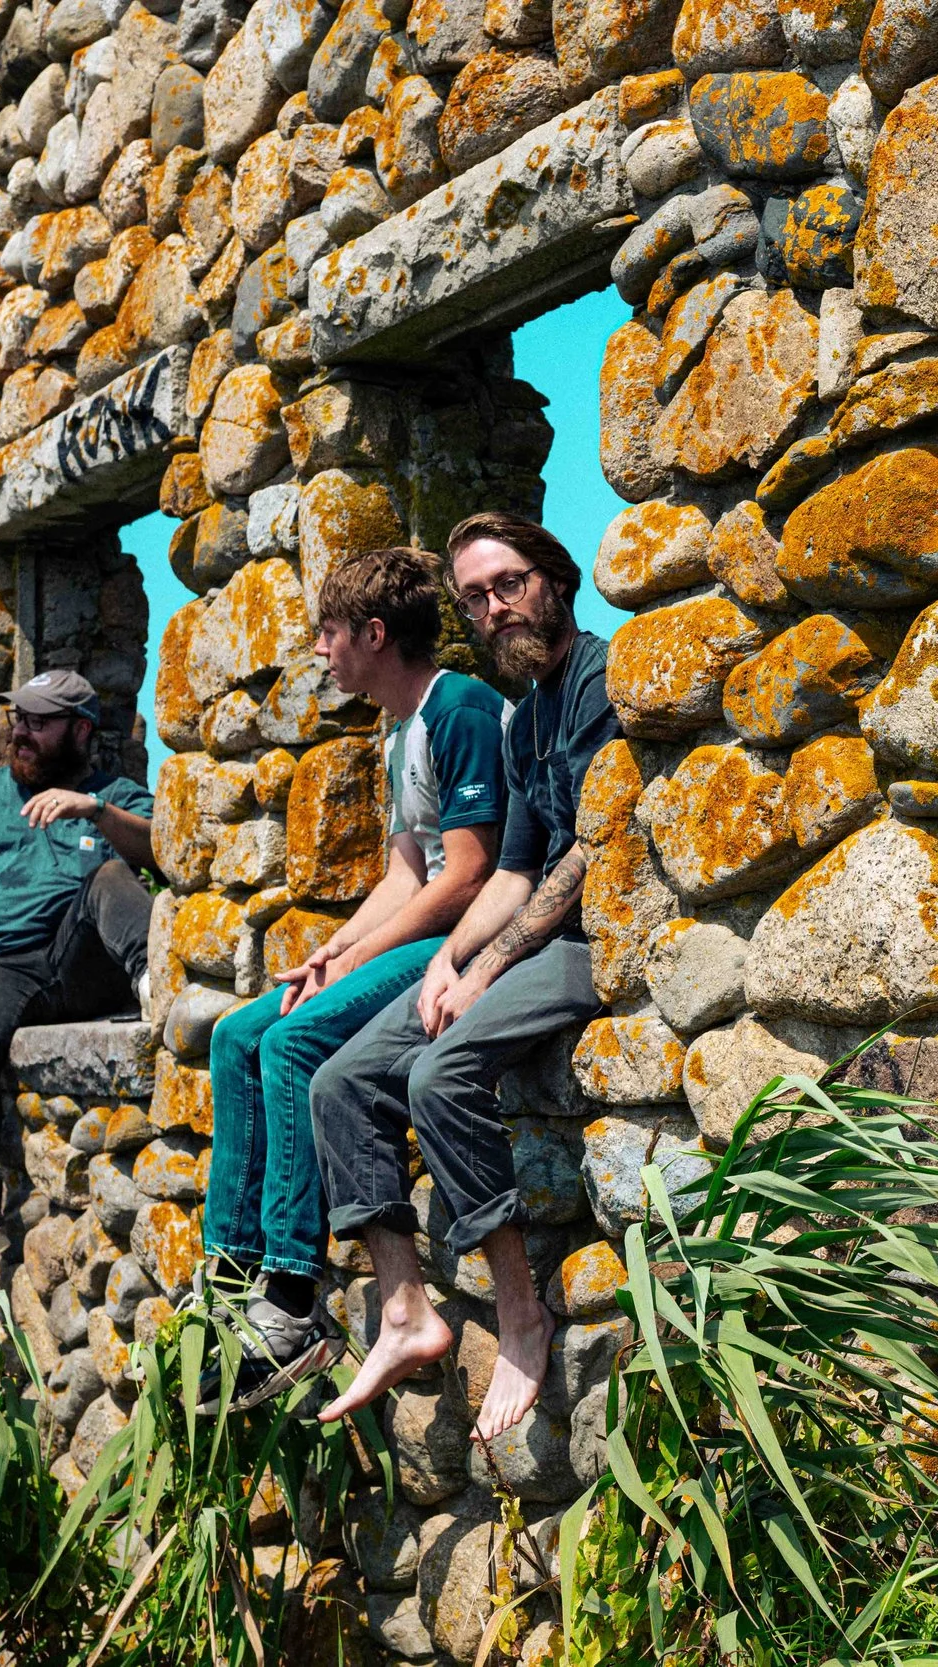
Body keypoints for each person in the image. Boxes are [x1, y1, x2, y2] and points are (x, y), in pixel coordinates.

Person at [307, 510, 620, 1443]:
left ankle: (523, 1317)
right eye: (478, 597)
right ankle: (406, 1309)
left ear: (554, 578)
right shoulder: (524, 722)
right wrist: (448, 957)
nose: (496, 608)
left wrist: (487, 965)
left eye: (510, 583)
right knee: (342, 1079)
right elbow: (512, 869)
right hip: (527, 930)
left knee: (439, 1072)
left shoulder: (603, 681)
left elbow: (584, 861)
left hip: (589, 941)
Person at [197, 545, 507, 1411]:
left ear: (375, 633)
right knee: (237, 1034)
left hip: (465, 938)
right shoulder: (396, 727)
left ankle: (292, 1292)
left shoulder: (461, 708)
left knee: (295, 1044)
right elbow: (405, 872)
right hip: (421, 920)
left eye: (330, 632)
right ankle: (230, 1278)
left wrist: (363, 959)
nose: (322, 650)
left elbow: (468, 876)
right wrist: (334, 952)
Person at [0, 669, 156, 1289]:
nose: (21, 731)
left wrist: (95, 810)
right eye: (18, 718)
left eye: (38, 722)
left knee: (106, 877)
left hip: (83, 964)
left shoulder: (117, 793)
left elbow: (160, 851)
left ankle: (157, 983)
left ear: (80, 730)